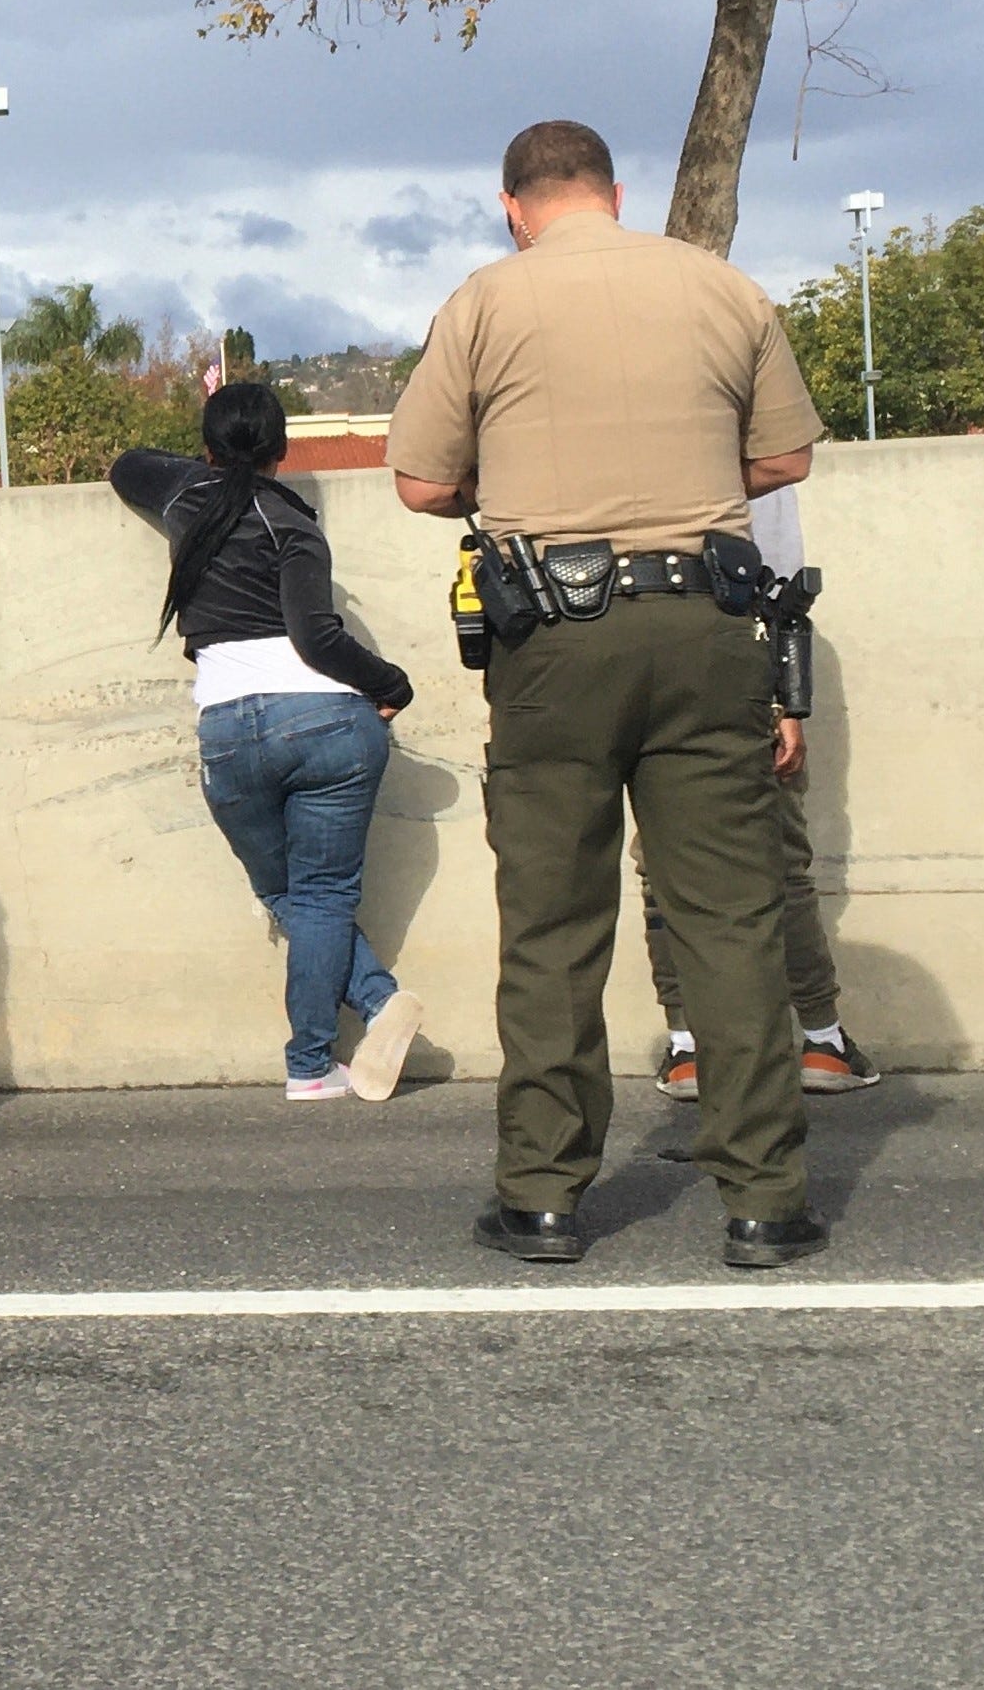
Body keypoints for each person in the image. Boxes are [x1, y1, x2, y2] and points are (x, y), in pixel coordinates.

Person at [388, 120, 830, 1268]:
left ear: (512, 204)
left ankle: (541, 1195)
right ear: (615, 192)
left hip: (554, 641)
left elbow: (422, 478)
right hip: (705, 625)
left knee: (552, 924)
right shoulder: (722, 287)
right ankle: (764, 1199)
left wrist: (525, 480)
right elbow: (784, 458)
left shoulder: (484, 300)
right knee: (729, 919)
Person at [113, 384, 426, 1101]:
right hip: (326, 724)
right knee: (318, 897)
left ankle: (359, 1024)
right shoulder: (293, 522)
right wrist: (394, 685)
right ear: (283, 451)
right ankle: (328, 1047)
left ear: (207, 446)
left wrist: (202, 470)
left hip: (227, 729)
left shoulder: (185, 499)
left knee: (285, 891)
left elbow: (128, 463)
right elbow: (316, 635)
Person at [642, 476, 876, 1100]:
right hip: (734, 651)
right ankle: (822, 1041)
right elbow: (777, 576)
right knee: (776, 861)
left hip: (628, 652)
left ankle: (688, 1047)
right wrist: (786, 701)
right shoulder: (738, 421)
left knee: (662, 867)